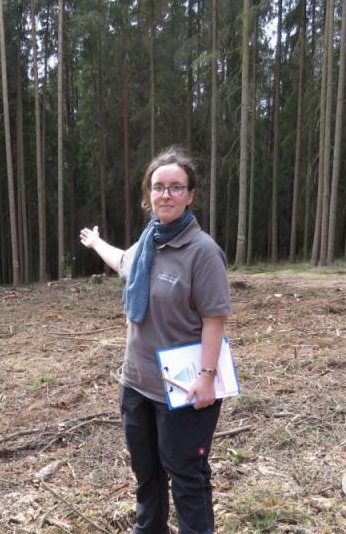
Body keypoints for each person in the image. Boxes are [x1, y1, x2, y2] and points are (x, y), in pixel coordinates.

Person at [80, 148, 231, 534]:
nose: (166, 195)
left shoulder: (202, 252)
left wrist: (207, 377)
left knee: (186, 475)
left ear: (190, 195)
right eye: (158, 187)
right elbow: (123, 263)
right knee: (146, 472)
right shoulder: (148, 243)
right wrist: (97, 244)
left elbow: (215, 319)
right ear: (149, 194)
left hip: (182, 386)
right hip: (135, 383)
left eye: (175, 187)